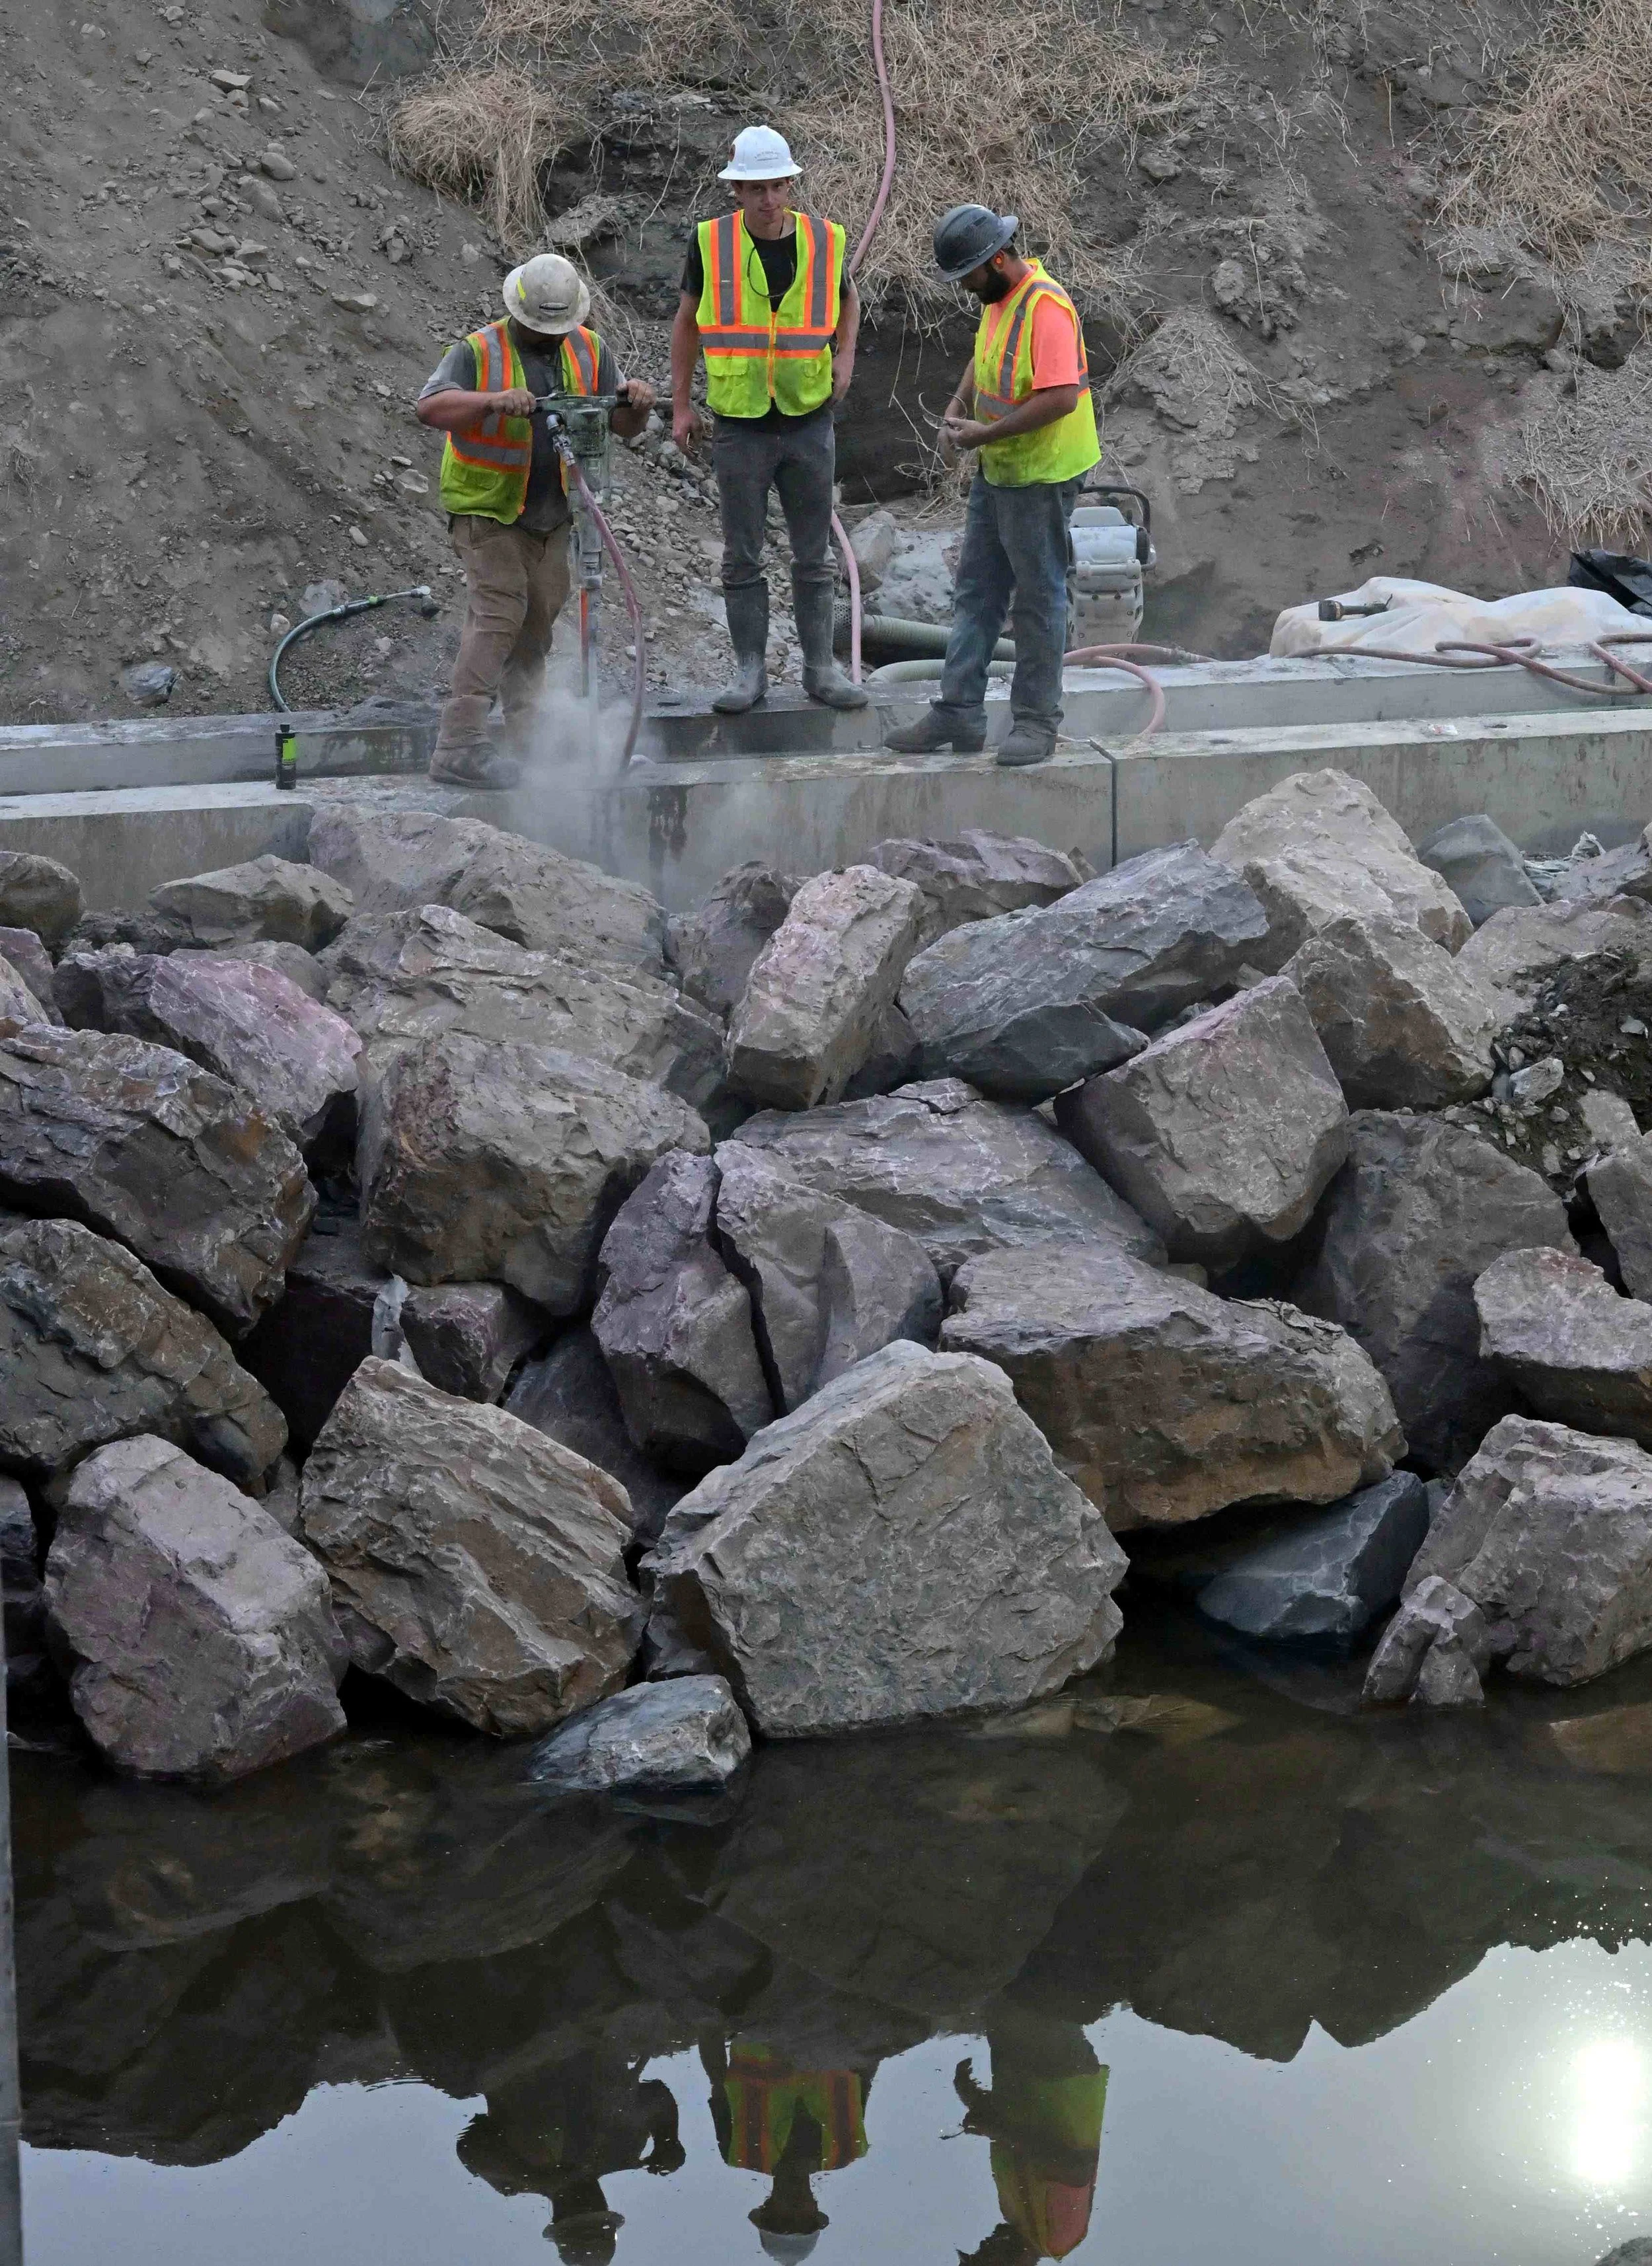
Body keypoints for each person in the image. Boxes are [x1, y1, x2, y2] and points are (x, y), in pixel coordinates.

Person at [416, 252, 654, 787]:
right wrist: (492, 402)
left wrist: (635, 405)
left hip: (552, 516)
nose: (547, 336)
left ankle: (531, 745)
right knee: (500, 613)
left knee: (535, 625)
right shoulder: (480, 351)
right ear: (517, 310)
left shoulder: (590, 350)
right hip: (489, 509)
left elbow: (619, 424)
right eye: (538, 327)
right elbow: (430, 408)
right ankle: (459, 745)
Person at [884, 207, 1100, 769]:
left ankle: (1035, 722)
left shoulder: (1047, 308)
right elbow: (985, 359)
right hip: (1001, 468)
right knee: (977, 592)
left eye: (968, 277)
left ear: (997, 260)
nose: (964, 290)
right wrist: (959, 406)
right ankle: (959, 711)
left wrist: (986, 433)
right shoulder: (1002, 299)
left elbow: (1060, 398)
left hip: (1042, 474)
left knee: (1037, 598)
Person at [671, 126, 868, 716]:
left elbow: (848, 299)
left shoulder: (825, 240)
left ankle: (820, 669)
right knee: (743, 554)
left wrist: (846, 358)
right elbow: (687, 323)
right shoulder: (710, 243)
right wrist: (681, 404)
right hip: (740, 423)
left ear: (790, 184)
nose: (768, 198)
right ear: (737, 190)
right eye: (755, 188)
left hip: (808, 418)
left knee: (815, 556)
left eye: (777, 186)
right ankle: (749, 671)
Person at [954, 2012, 1108, 2263]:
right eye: (984, 2256)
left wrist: (973, 2099)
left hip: (1024, 2078)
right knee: (1036, 1992)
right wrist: (996, 2130)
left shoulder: (1014, 2214)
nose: (983, 2243)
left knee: (1004, 1994)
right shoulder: (1058, 2239)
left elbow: (1014, 2133)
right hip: (1060, 2079)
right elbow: (1075, 2168)